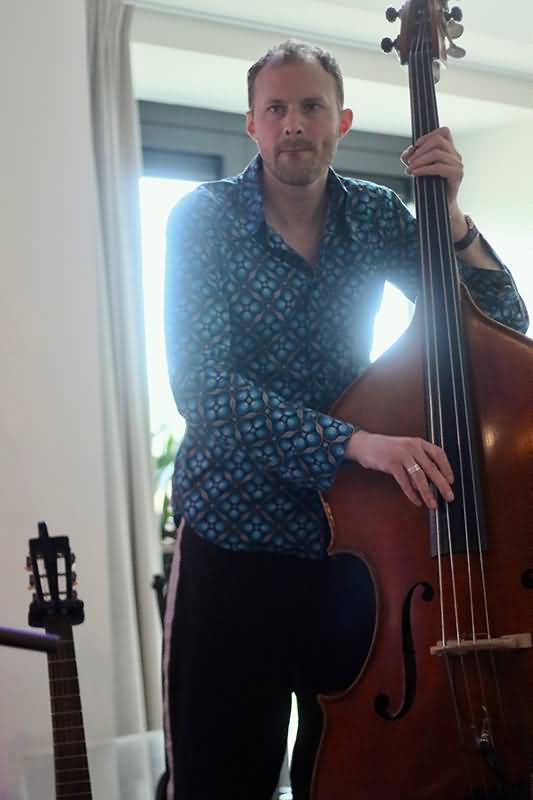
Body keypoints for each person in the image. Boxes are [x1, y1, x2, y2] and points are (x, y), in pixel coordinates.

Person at [159, 41, 529, 800]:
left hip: (353, 550)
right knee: (221, 775)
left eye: (311, 107)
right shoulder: (203, 219)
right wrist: (356, 444)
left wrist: (452, 218)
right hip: (236, 543)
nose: (293, 123)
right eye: (276, 109)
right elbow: (204, 389)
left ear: (342, 121)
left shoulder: (377, 214)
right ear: (253, 124)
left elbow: (499, 328)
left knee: (349, 770)